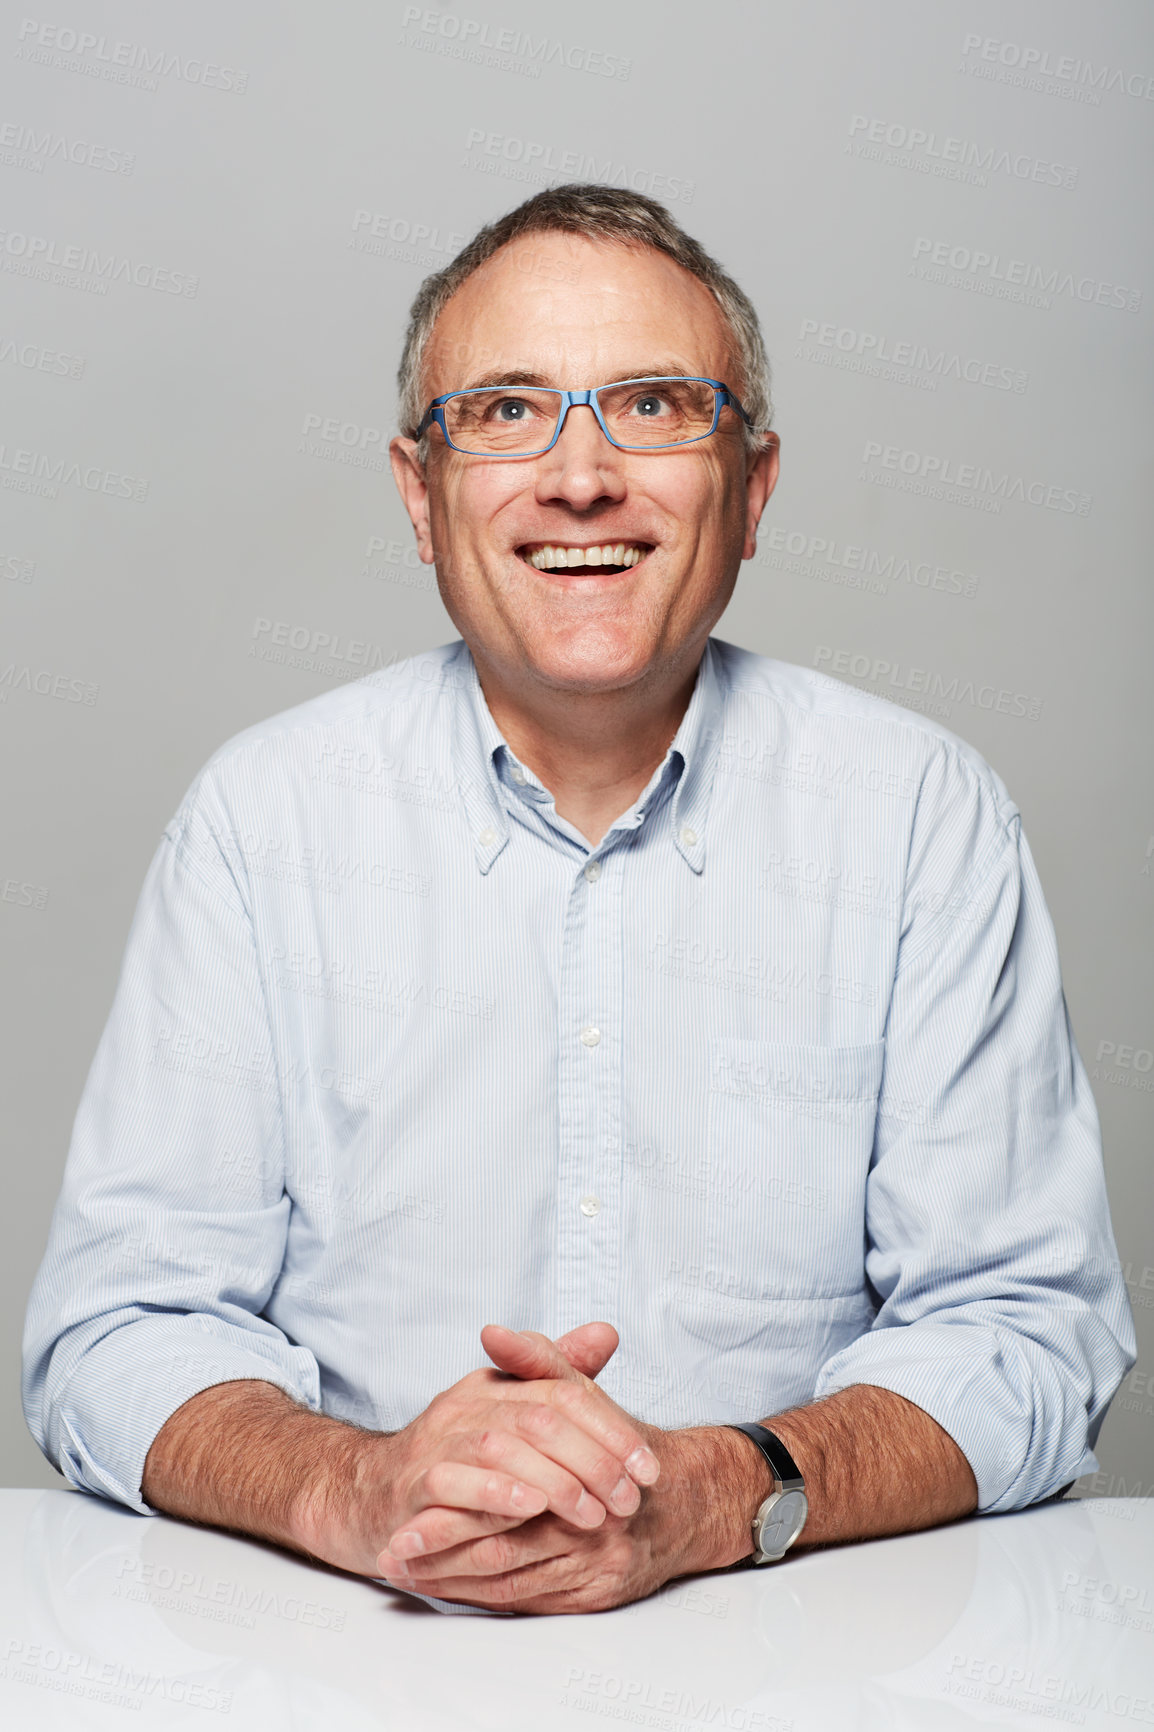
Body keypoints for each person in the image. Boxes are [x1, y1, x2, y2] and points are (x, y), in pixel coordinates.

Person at [23, 186, 1135, 1616]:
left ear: (754, 483)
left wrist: (711, 1495)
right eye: (503, 413)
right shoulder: (264, 819)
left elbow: (1029, 1331)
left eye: (654, 406)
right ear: (420, 496)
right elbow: (117, 1327)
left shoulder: (921, 817)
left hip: (809, 1655)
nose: (580, 476)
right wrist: (355, 1488)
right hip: (340, 1652)